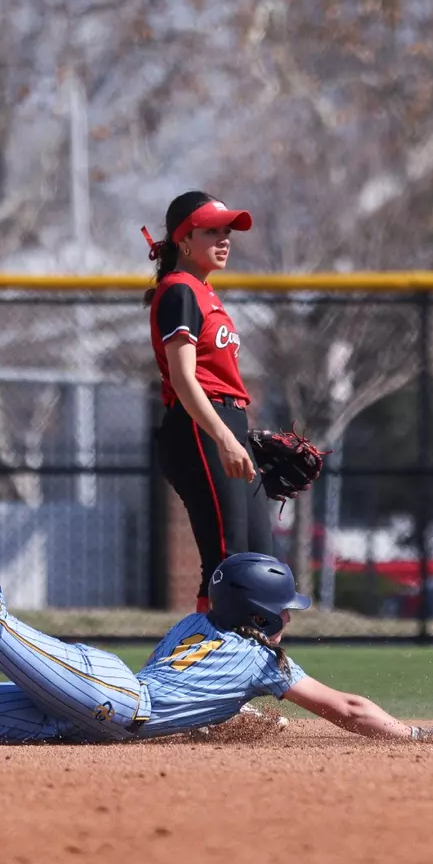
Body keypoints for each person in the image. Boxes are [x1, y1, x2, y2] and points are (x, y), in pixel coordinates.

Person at [0, 460, 433, 744]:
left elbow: (201, 694)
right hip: (112, 699)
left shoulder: (209, 626)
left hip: (88, 714)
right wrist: (416, 738)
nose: (288, 622)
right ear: (259, 617)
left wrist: (226, 721)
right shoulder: (264, 665)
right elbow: (346, 708)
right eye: (284, 612)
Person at [143, 190, 270, 613]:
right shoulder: (180, 291)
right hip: (199, 428)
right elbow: (183, 379)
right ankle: (200, 669)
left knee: (261, 563)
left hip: (226, 423)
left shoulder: (204, 292)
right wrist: (224, 438)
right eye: (211, 230)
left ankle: (257, 664)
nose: (225, 238)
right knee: (227, 562)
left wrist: (240, 435)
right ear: (184, 240)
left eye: (227, 230)